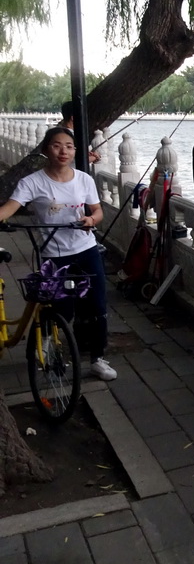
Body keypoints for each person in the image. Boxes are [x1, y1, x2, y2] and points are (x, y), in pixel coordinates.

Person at [0, 127, 117, 380]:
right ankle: (48, 343)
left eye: (69, 146)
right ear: (45, 149)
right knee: (62, 308)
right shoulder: (32, 182)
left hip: (86, 249)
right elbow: (10, 208)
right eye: (56, 145)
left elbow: (98, 212)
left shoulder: (84, 179)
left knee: (97, 306)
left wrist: (90, 219)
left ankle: (98, 358)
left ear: (75, 151)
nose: (63, 151)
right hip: (53, 253)